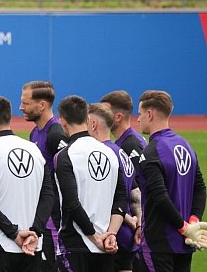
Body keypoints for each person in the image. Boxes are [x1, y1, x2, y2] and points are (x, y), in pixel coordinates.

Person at [0, 96, 55, 272]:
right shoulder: (34, 150)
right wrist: (36, 231)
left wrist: (13, 233)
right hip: (32, 245)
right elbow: (48, 195)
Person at [135, 90, 207, 272]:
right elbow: (200, 187)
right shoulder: (185, 145)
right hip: (185, 244)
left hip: (159, 244)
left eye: (139, 114)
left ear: (150, 114)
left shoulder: (151, 152)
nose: (138, 119)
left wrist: (184, 228)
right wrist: (193, 221)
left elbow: (160, 197)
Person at [54, 96, 127, 271]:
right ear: (87, 119)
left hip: (75, 244)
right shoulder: (110, 153)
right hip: (106, 247)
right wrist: (111, 234)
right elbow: (121, 198)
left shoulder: (65, 156)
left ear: (62, 121)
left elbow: (72, 203)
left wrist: (95, 237)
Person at [19, 80, 66, 271]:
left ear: (42, 105)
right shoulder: (34, 134)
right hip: (43, 216)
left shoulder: (55, 134)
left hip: (56, 219)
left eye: (26, 103)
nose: (21, 107)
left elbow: (68, 176)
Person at [88, 103, 141, 272]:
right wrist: (137, 221)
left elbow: (108, 197)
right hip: (128, 236)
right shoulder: (121, 152)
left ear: (93, 124)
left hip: (112, 234)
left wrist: (126, 218)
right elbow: (135, 194)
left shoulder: (101, 155)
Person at [99, 91, 146, 170]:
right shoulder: (127, 140)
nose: (100, 117)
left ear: (118, 117)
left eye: (105, 113)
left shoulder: (130, 145)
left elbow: (139, 180)